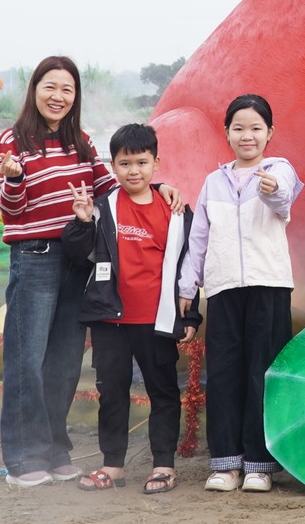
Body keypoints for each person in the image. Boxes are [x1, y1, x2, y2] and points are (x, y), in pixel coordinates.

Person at [0, 56, 114, 488]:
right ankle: (23, 458)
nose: (58, 96)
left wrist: (158, 190)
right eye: (50, 87)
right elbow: (8, 209)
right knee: (27, 361)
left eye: (67, 89)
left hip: (76, 261)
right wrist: (14, 178)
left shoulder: (82, 142)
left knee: (63, 363)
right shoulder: (13, 141)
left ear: (75, 96)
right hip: (36, 256)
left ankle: (55, 449)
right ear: (34, 90)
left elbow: (110, 189)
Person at [61, 124, 199, 494]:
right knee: (112, 392)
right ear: (113, 165)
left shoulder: (176, 210)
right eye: (124, 163)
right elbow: (76, 252)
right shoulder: (103, 206)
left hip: (157, 319)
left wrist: (190, 315)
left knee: (164, 392)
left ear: (157, 163)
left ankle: (164, 466)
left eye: (142, 162)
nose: (133, 171)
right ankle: (113, 466)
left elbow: (189, 266)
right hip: (110, 319)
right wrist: (82, 220)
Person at [177, 94, 304, 492]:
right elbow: (199, 238)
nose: (247, 135)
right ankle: (226, 463)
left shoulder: (279, 169)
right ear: (227, 133)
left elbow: (282, 197)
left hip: (269, 285)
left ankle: (259, 464)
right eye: (239, 128)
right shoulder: (213, 182)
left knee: (261, 372)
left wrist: (268, 187)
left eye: (256, 128)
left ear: (269, 133)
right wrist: (187, 285)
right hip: (224, 288)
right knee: (226, 373)